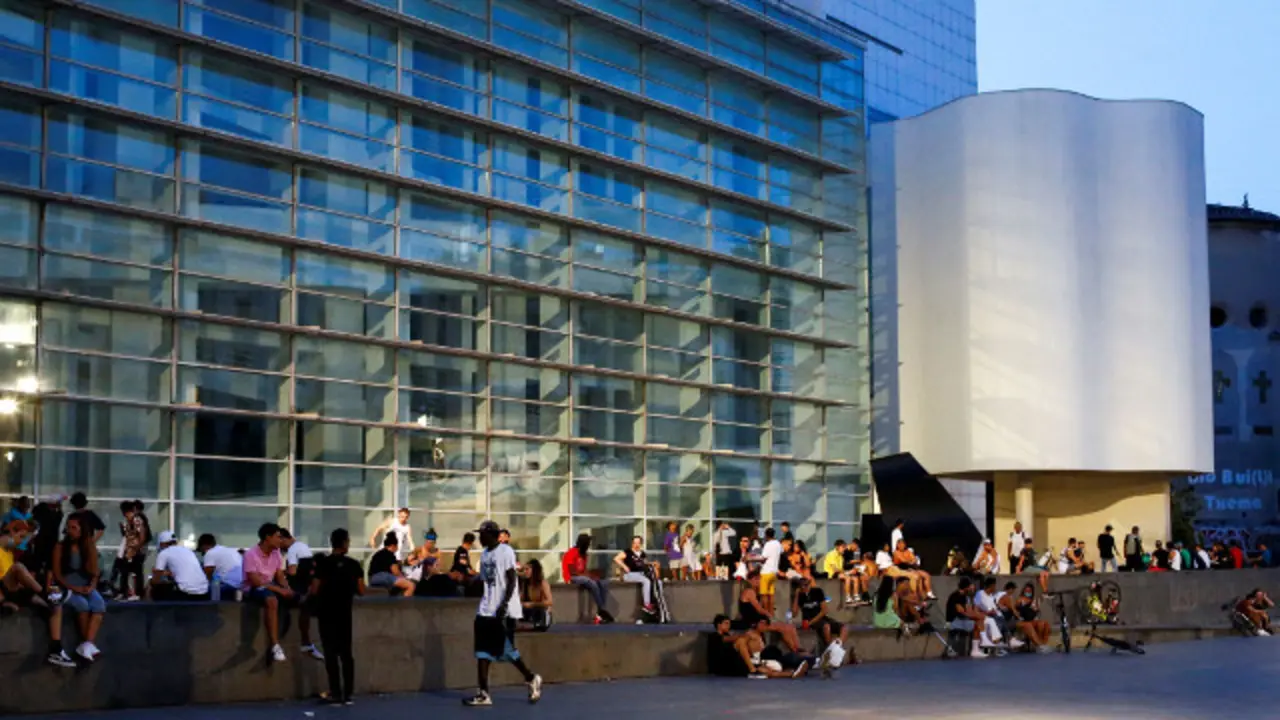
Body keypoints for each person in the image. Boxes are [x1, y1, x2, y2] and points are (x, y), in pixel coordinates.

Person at [464, 520, 542, 707]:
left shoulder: (506, 551)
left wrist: (504, 605)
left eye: (482, 534)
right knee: (482, 652)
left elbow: (512, 579)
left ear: (492, 534)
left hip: (502, 611)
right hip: (485, 609)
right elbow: (485, 581)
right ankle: (483, 693)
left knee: (506, 651)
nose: (479, 538)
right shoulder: (484, 555)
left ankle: (531, 677)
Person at [0, 520, 74, 667]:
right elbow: (6, 540)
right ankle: (45, 595)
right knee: (18, 568)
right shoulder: (3, 543)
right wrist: (13, 535)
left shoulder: (10, 553)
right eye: (21, 537)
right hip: (3, 589)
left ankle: (56, 649)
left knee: (54, 605)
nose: (23, 542)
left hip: (13, 591)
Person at [311, 528, 364, 706]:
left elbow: (314, 588)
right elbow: (361, 590)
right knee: (346, 654)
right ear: (344, 543)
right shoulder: (354, 565)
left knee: (330, 654)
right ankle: (348, 693)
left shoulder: (323, 564)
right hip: (344, 613)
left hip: (326, 613)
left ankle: (335, 692)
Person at [242, 523, 297, 662]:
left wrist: (287, 588)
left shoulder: (276, 553)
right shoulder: (251, 554)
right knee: (271, 600)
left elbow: (279, 575)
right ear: (268, 538)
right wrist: (279, 590)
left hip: (269, 584)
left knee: (297, 598)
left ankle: (305, 643)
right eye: (278, 537)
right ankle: (274, 644)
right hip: (253, 588)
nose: (280, 540)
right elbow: (256, 582)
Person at [52, 515, 104, 662]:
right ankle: (85, 642)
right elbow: (57, 574)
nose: (70, 530)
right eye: (68, 527)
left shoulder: (88, 545)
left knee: (99, 603)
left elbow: (95, 572)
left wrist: (91, 586)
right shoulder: (60, 547)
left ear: (82, 530)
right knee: (82, 604)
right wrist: (74, 587)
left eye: (74, 527)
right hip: (67, 586)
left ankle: (87, 644)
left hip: (85, 585)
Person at [732, 570, 801, 652]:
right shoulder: (749, 592)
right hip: (752, 623)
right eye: (755, 579)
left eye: (759, 579)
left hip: (759, 620)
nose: (758, 581)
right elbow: (759, 609)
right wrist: (771, 617)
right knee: (783, 627)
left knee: (791, 627)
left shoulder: (755, 592)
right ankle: (795, 650)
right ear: (749, 580)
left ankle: (798, 648)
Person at [793, 575, 848, 671]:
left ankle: (835, 649)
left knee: (843, 628)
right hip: (808, 620)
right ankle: (833, 653)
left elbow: (824, 610)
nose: (804, 588)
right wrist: (796, 596)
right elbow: (794, 613)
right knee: (826, 627)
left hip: (819, 618)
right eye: (802, 586)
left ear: (810, 585)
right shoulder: (800, 596)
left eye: (806, 585)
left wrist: (811, 622)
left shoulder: (817, 592)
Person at [562, 533, 612, 623]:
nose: (589, 545)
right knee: (590, 582)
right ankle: (602, 609)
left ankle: (601, 610)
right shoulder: (572, 552)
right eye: (588, 543)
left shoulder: (584, 555)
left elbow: (583, 570)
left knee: (602, 582)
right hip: (571, 577)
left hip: (581, 576)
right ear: (583, 543)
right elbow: (572, 571)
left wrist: (592, 575)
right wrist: (588, 576)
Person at [149, 531, 209, 601]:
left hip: (186, 594)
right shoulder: (188, 551)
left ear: (162, 543)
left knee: (153, 588)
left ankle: (146, 609)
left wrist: (151, 581)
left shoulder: (164, 553)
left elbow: (156, 580)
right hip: (204, 592)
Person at [614, 535, 659, 615]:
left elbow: (645, 563)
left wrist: (653, 563)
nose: (636, 544)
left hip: (640, 574)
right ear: (632, 543)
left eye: (638, 543)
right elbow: (616, 558)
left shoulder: (642, 553)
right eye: (634, 543)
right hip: (630, 574)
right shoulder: (627, 552)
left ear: (641, 544)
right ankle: (647, 604)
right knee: (646, 581)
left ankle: (655, 601)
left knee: (654, 580)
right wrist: (624, 566)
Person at [945, 577, 989, 659]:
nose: (972, 588)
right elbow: (961, 612)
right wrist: (976, 617)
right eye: (970, 586)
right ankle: (977, 648)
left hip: (962, 620)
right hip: (953, 622)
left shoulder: (966, 596)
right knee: (977, 623)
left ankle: (980, 646)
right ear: (966, 587)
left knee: (981, 620)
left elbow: (969, 611)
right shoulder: (956, 596)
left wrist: (979, 615)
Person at [974, 576, 1022, 650]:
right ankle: (1008, 640)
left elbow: (995, 607)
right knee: (999, 619)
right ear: (991, 586)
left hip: (996, 615)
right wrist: (987, 612)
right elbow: (976, 608)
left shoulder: (991, 596)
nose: (995, 587)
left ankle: (1007, 640)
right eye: (995, 585)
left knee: (1000, 618)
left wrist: (998, 608)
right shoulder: (980, 594)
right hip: (986, 616)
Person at [197, 533, 243, 600]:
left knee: (198, 589)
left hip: (229, 585)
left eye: (202, 552)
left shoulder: (210, 553)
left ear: (204, 546)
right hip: (242, 584)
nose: (203, 554)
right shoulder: (228, 550)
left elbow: (208, 575)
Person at [1012, 582, 1054, 651]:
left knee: (1044, 624)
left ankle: (1043, 644)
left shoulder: (1034, 600)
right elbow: (1016, 612)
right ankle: (1039, 645)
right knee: (1028, 625)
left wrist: (1035, 608)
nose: (1028, 592)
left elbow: (1036, 610)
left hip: (1031, 619)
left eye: (1029, 591)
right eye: (1026, 591)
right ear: (1023, 591)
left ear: (1032, 591)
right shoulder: (1019, 599)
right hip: (1022, 621)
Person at [519, 559, 553, 631]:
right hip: (531, 612)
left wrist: (532, 604)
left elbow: (550, 602)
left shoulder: (543, 583)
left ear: (534, 570)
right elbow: (520, 600)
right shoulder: (525, 584)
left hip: (542, 613)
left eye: (527, 569)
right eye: (524, 569)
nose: (525, 572)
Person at [758, 528, 783, 618]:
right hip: (774, 572)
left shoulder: (768, 544)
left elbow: (763, 558)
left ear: (766, 535)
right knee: (771, 595)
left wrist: (751, 558)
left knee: (764, 595)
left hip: (766, 572)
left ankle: (766, 614)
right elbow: (781, 552)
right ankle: (771, 614)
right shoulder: (778, 544)